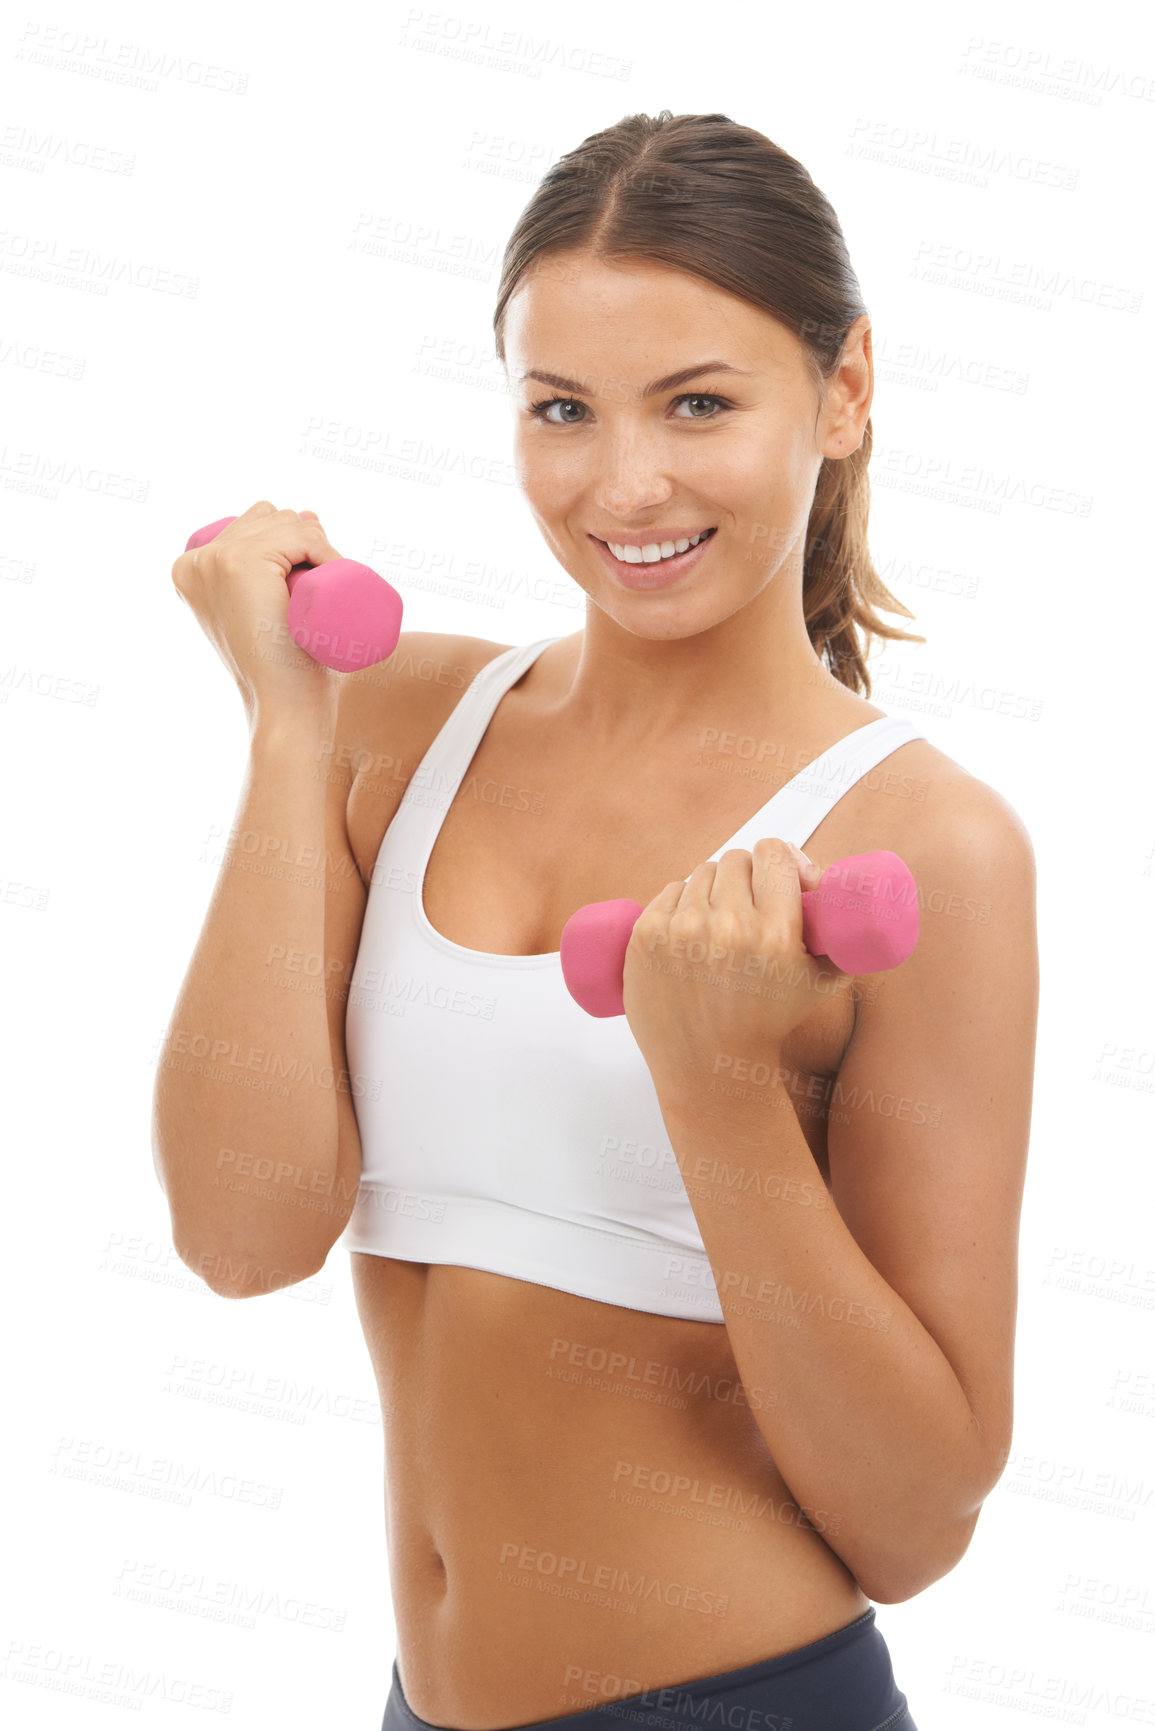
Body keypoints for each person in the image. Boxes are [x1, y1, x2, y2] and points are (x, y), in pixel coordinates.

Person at [158, 110, 1038, 1731]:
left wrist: (717, 1089)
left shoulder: (929, 844)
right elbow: (243, 1232)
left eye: (698, 403)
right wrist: (289, 729)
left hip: (743, 1701)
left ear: (843, 393)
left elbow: (917, 1524)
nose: (623, 484)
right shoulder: (392, 724)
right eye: (563, 410)